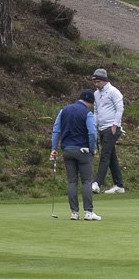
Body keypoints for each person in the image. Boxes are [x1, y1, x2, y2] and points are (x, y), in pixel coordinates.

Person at [50, 88, 102, 221]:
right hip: (83, 151)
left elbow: (56, 130)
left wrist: (54, 148)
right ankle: (88, 212)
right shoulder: (87, 113)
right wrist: (92, 149)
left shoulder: (64, 110)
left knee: (72, 181)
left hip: (67, 150)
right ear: (90, 102)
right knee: (86, 181)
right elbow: (92, 133)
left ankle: (74, 213)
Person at [89, 68, 126, 195]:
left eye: (98, 82)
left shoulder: (114, 92)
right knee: (111, 156)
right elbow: (96, 111)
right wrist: (94, 126)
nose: (96, 84)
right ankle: (119, 185)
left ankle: (97, 183)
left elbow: (120, 108)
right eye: (94, 82)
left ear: (104, 81)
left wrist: (115, 125)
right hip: (101, 128)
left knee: (105, 155)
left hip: (112, 128)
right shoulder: (96, 94)